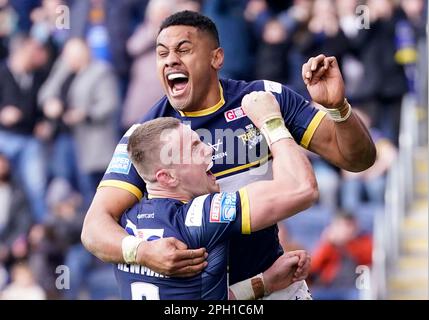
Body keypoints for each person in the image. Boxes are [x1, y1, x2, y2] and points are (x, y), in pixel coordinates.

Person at [82, 11, 376, 297]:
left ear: (216, 57)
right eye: (162, 53)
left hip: (269, 282)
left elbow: (358, 159)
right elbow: (94, 228)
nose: (171, 59)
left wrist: (339, 108)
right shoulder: (147, 136)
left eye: (183, 49)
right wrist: (142, 252)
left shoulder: (263, 98)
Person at [117, 91, 315, 299]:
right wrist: (271, 122)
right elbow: (301, 188)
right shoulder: (198, 216)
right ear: (167, 177)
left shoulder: (125, 221)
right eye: (194, 148)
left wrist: (265, 282)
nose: (209, 150)